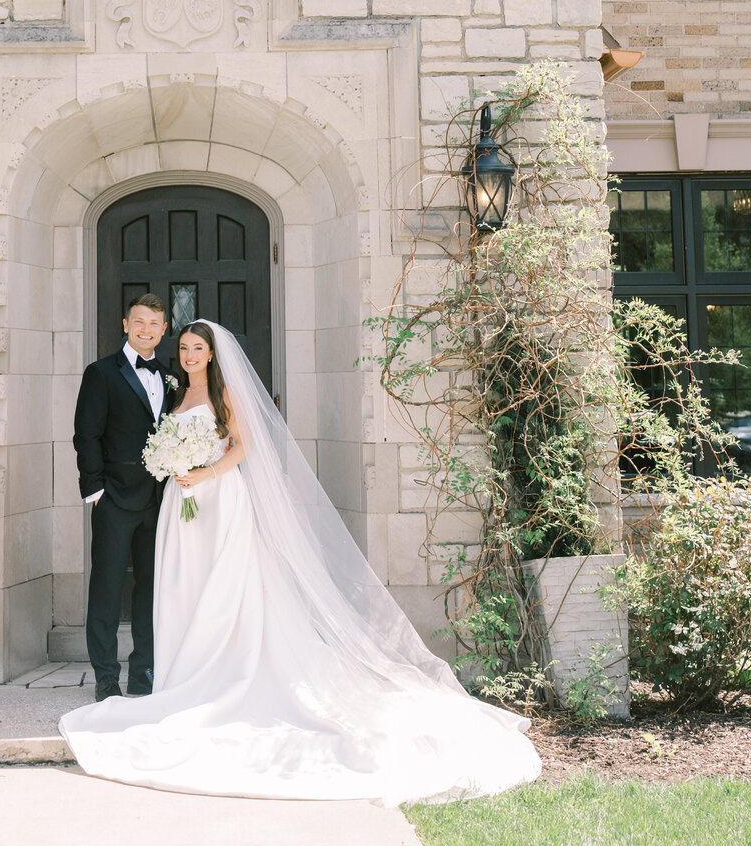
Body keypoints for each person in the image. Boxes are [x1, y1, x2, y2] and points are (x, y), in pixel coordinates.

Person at [61, 319, 543, 806]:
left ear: (211, 354)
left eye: (197, 348)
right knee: (180, 586)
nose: (188, 355)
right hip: (180, 510)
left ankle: (215, 672)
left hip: (219, 501)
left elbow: (244, 446)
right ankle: (178, 673)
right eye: (183, 347)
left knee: (224, 589)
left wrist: (204, 472)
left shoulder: (225, 395)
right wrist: (173, 467)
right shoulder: (173, 392)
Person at [72, 293, 171, 702]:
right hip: (112, 499)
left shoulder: (169, 375)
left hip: (159, 500)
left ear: (165, 330)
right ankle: (106, 676)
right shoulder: (101, 373)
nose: (147, 329)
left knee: (150, 588)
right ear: (125, 324)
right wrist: (95, 490)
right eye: (140, 321)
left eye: (155, 324)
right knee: (108, 589)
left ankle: (143, 670)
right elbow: (86, 434)